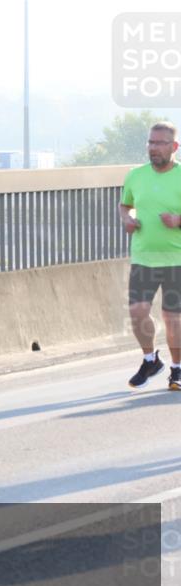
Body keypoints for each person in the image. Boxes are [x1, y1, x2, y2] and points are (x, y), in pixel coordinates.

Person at [120, 120, 181, 391]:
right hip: (144, 257)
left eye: (159, 143)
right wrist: (128, 220)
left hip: (176, 260)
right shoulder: (136, 175)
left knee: (172, 317)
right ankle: (150, 359)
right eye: (150, 142)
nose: (153, 148)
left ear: (174, 146)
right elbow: (125, 206)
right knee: (137, 312)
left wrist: (178, 220)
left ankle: (177, 369)